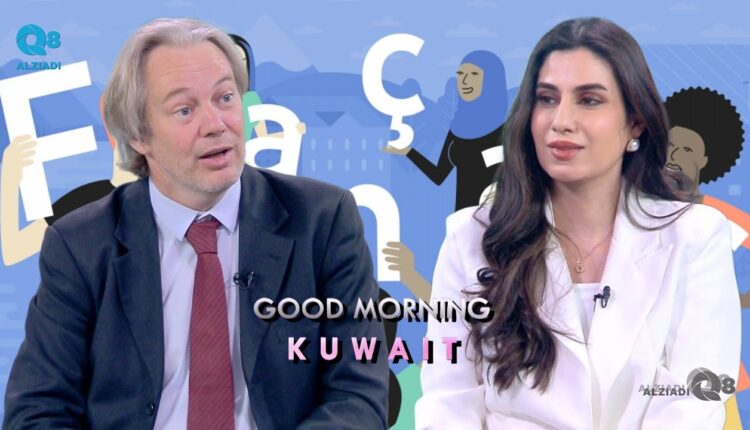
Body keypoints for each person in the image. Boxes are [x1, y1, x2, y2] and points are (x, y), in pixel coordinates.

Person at [4, 18, 388, 430]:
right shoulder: (81, 245)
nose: (216, 124)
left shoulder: (322, 220)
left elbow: (358, 395)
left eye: (225, 97)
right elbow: (37, 411)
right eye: (184, 110)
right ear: (139, 136)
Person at [415, 17, 740, 429]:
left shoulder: (695, 236)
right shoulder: (471, 237)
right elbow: (448, 400)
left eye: (588, 100)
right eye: (547, 99)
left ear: (636, 121)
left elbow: (694, 400)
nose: (561, 120)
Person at [386, 50, 507, 211]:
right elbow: (439, 175)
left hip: (496, 220)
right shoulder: (458, 127)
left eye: (474, 74)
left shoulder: (507, 132)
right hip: (461, 220)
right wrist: (408, 152)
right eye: (461, 74)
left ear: (491, 80)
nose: (464, 81)